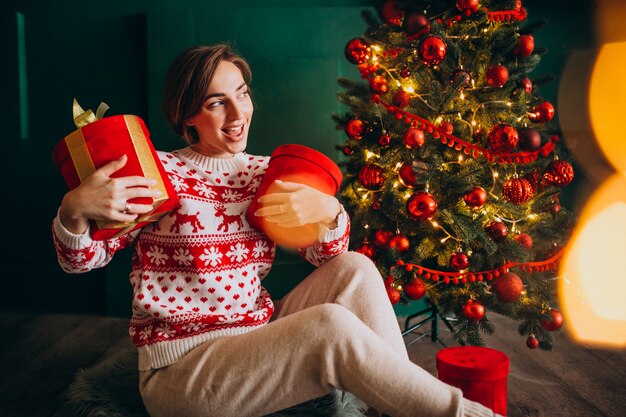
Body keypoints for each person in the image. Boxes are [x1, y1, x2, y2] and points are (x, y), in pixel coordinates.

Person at [52, 44, 500, 417]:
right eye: (215, 102)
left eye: (241, 94)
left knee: (356, 267)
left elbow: (327, 259)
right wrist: (73, 213)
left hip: (255, 336)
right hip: (183, 370)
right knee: (330, 328)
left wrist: (328, 214)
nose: (236, 112)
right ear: (186, 115)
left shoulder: (264, 173)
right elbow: (81, 261)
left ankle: (399, 408)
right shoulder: (158, 172)